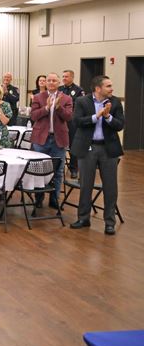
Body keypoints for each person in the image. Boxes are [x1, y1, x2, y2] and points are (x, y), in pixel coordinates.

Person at [69, 76, 124, 235]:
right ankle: (83, 218)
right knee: (85, 185)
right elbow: (77, 121)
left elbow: (120, 125)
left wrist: (107, 117)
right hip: (88, 147)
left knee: (110, 187)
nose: (112, 88)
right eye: (108, 86)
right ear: (98, 88)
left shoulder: (115, 102)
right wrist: (96, 116)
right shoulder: (82, 101)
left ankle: (109, 222)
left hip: (108, 149)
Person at [30, 72, 73, 209]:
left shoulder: (66, 98)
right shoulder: (38, 97)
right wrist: (47, 108)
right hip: (41, 139)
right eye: (49, 80)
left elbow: (69, 117)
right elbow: (34, 116)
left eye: (54, 80)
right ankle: (39, 198)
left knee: (58, 171)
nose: (51, 82)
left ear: (59, 83)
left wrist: (58, 107)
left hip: (58, 139)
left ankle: (54, 199)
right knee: (39, 169)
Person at [59, 69, 84, 179]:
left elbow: (79, 105)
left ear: (72, 78)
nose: (64, 78)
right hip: (59, 120)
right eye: (63, 76)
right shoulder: (59, 89)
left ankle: (74, 168)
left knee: (73, 145)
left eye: (66, 76)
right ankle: (58, 167)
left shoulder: (78, 90)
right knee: (59, 143)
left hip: (71, 121)